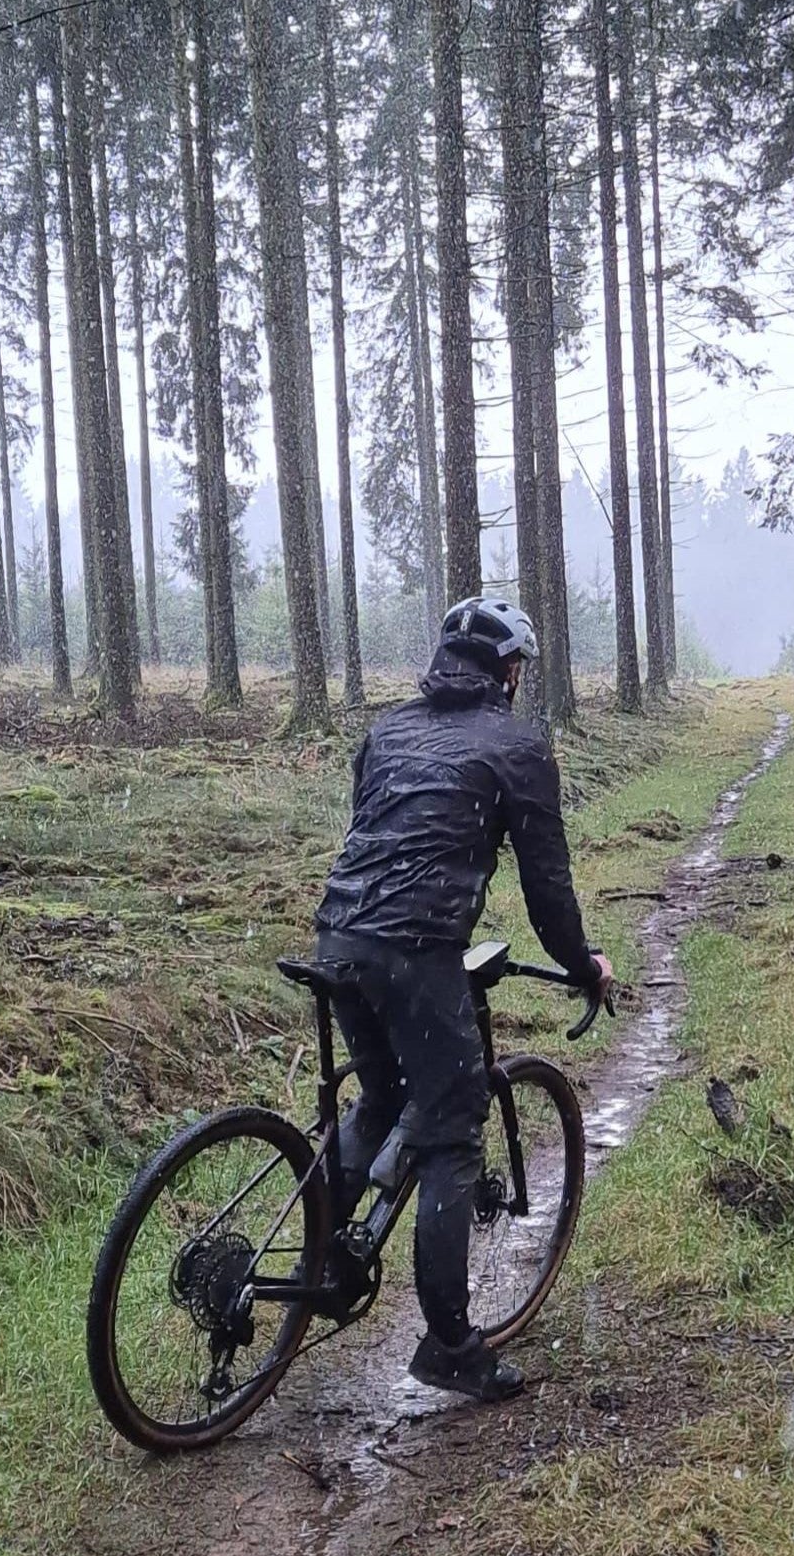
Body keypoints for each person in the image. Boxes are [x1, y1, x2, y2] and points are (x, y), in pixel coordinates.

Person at [310, 596, 615, 1402]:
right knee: (451, 1131)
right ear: (507, 672)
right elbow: (547, 887)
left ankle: (318, 1262)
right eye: (519, 668)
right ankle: (449, 1346)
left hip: (337, 938)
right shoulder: (518, 746)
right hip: (417, 953)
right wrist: (582, 963)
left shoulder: (388, 730)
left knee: (380, 1100)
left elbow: (378, 839)